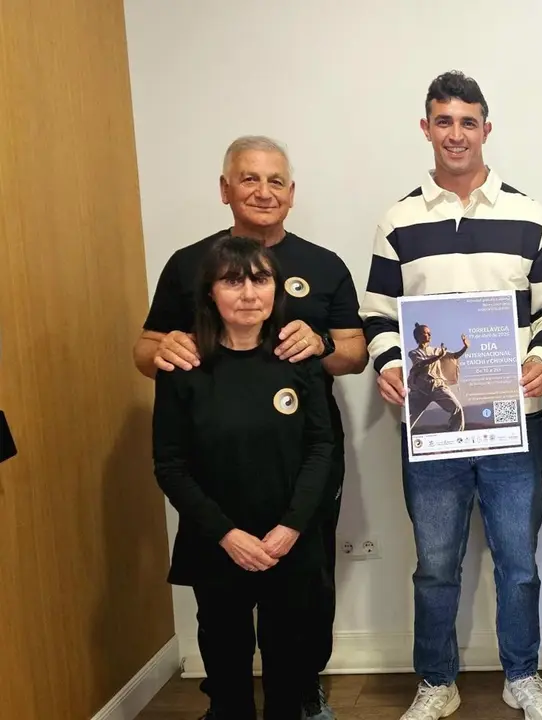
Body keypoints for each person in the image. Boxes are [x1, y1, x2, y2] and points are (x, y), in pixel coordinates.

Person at [359, 70, 542, 720]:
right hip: (431, 422)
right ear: (426, 128)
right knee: (435, 563)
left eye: (468, 121)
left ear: (486, 128)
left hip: (515, 420)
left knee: (519, 562)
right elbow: (376, 314)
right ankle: (436, 682)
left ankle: (523, 676)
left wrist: (540, 357)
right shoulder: (398, 220)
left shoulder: (530, 214)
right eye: (443, 121)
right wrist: (388, 364)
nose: (456, 133)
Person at [133, 135, 367, 720]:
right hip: (217, 490)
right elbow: (147, 352)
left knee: (305, 595)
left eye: (276, 181)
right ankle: (229, 700)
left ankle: (300, 690)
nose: (263, 191)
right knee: (224, 625)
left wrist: (319, 348)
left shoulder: (324, 266)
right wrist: (168, 350)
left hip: (299, 471)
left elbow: (355, 351)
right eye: (249, 179)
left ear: (291, 193)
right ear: (225, 189)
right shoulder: (186, 265)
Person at [152, 235, 334, 720]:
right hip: (217, 546)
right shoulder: (183, 367)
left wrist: (291, 527)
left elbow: (321, 447)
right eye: (233, 281)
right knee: (228, 677)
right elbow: (169, 464)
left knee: (288, 674)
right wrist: (227, 535)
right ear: (210, 292)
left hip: (288, 545)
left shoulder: (299, 359)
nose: (249, 293)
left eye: (260, 279)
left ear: (276, 288)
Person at [406, 323, 469, 432]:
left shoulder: (437, 350)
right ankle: (403, 438)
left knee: (457, 408)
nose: (429, 335)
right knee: (408, 417)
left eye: (430, 333)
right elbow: (421, 364)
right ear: (418, 336)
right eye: (426, 333)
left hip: (437, 386)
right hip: (420, 390)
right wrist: (439, 356)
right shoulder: (413, 353)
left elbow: (454, 356)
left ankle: (456, 435)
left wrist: (465, 347)